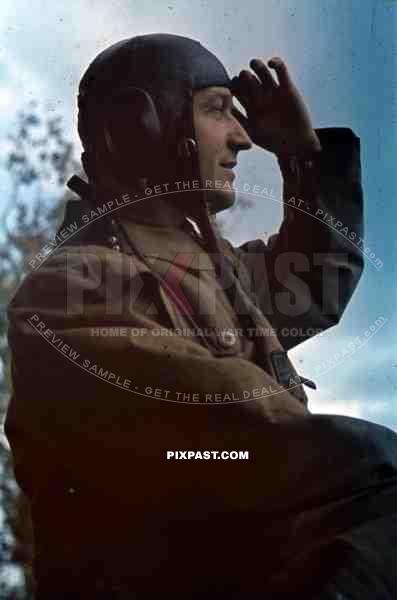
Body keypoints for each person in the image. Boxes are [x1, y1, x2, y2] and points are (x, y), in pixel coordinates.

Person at [5, 33, 397, 598]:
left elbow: (313, 280)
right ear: (138, 125)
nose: (241, 138)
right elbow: (232, 430)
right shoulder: (68, 291)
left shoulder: (221, 276)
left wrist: (303, 156)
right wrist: (375, 464)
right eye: (217, 110)